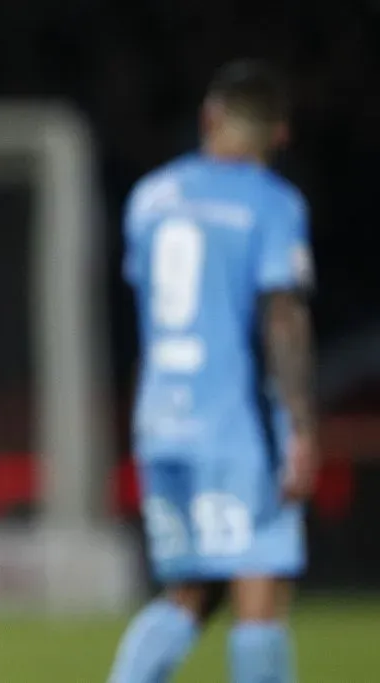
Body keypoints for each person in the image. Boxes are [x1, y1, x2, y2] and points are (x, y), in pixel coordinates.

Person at [107, 60, 316, 683]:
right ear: (279, 135)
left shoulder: (151, 197)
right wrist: (301, 428)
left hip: (162, 423)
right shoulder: (274, 203)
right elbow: (282, 319)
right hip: (235, 425)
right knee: (260, 592)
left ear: (209, 118)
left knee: (191, 592)